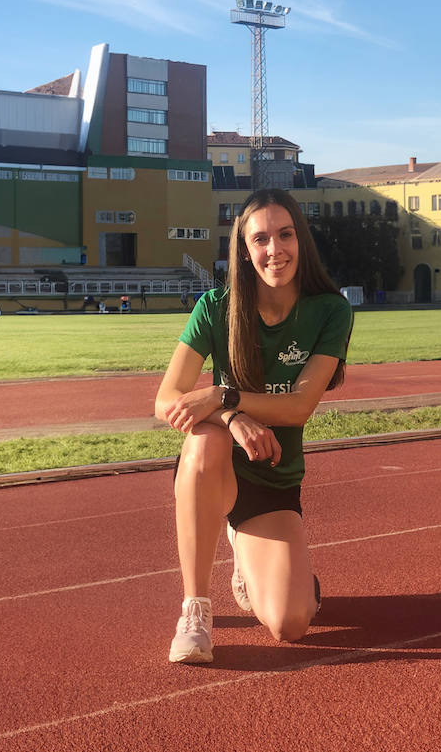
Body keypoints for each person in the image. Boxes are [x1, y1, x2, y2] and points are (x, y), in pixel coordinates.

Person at [152, 188, 351, 664]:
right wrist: (230, 417)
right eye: (260, 239)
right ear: (244, 248)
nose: (274, 250)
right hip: (216, 469)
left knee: (291, 624)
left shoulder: (330, 311)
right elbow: (166, 399)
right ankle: (195, 610)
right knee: (203, 440)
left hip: (272, 477)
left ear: (300, 240)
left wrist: (224, 395)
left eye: (285, 235)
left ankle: (247, 555)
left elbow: (300, 407)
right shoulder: (215, 307)